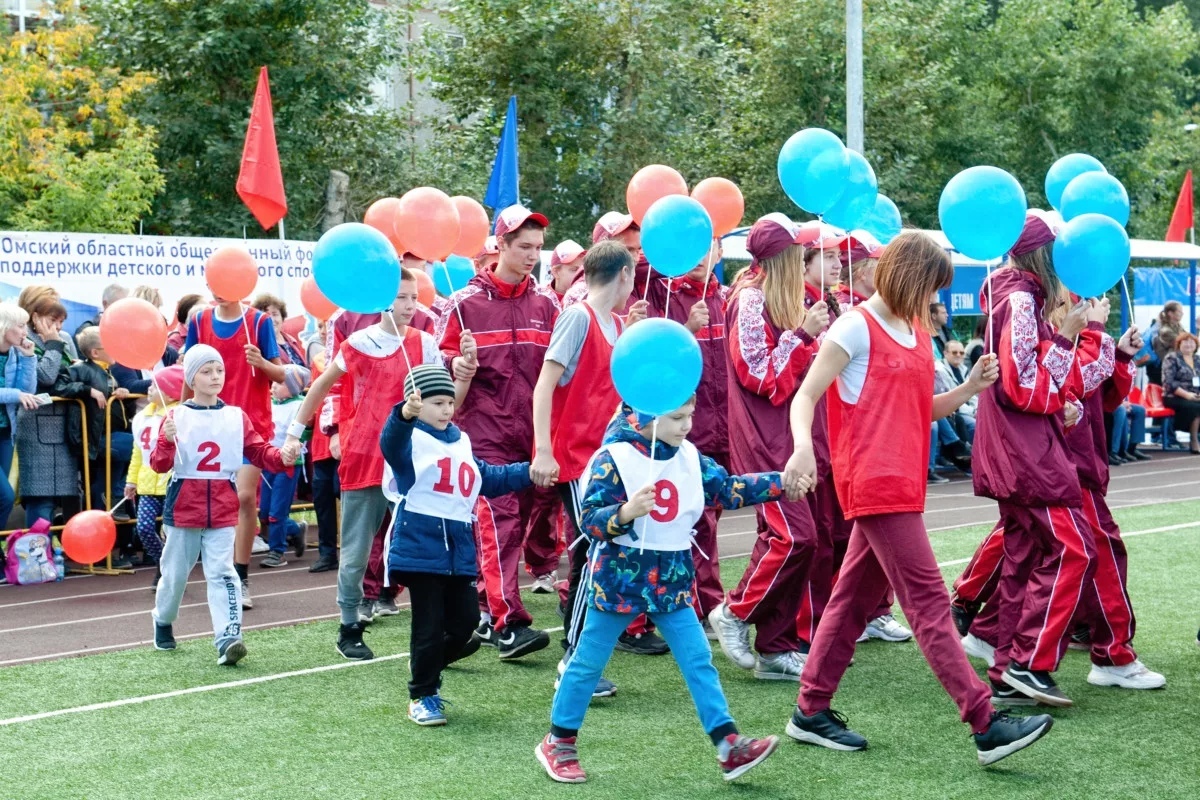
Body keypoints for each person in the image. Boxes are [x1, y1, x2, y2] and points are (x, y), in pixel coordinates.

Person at [781, 231, 1053, 767]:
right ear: (908, 276)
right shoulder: (854, 324)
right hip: (875, 483)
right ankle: (984, 721)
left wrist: (969, 387)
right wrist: (800, 452)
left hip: (903, 481)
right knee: (930, 603)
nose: (935, 299)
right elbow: (805, 393)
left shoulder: (913, 328)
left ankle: (810, 710)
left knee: (851, 600)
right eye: (931, 286)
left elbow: (918, 408)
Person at [536, 400, 785, 784]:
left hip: (671, 581)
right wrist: (624, 513)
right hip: (618, 581)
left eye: (690, 415)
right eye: (677, 417)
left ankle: (727, 745)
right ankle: (559, 741)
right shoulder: (613, 456)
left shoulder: (690, 456)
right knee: (587, 662)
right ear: (647, 415)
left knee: (699, 659)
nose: (687, 425)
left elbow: (727, 489)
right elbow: (590, 520)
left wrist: (781, 483)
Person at [287, 271, 460, 657]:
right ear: (383, 300)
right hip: (364, 457)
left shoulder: (426, 343)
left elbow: (444, 398)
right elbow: (319, 386)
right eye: (402, 298)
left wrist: (462, 376)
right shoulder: (358, 343)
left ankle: (441, 622)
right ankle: (349, 626)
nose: (410, 305)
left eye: (414, 298)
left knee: (428, 542)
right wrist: (294, 433)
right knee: (356, 550)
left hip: (414, 462)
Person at [970, 209, 1098, 707]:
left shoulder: (1016, 297)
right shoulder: (1020, 299)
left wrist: (1057, 399)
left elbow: (1026, 379)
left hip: (1018, 445)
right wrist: (1066, 337)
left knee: (1024, 558)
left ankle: (1008, 668)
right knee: (1072, 549)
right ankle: (1029, 662)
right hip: (1025, 453)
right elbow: (1023, 385)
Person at [709, 213, 828, 681]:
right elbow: (756, 374)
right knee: (793, 536)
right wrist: (804, 336)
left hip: (789, 435)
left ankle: (777, 647)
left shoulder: (778, 298)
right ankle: (735, 613)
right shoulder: (750, 300)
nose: (804, 260)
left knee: (804, 539)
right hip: (764, 438)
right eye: (797, 253)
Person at [438, 204, 559, 661]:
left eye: (537, 248)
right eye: (523, 246)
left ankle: (486, 612)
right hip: (482, 434)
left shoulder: (547, 304)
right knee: (499, 525)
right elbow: (437, 371)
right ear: (500, 246)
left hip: (532, 436)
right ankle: (509, 622)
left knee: (518, 527)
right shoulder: (463, 304)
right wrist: (457, 364)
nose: (532, 256)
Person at [382, 364, 534, 725]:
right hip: (420, 545)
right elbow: (391, 442)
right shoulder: (409, 438)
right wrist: (403, 415)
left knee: (465, 623)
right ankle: (423, 694)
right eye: (436, 402)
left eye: (449, 401)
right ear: (417, 403)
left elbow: (486, 478)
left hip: (460, 550)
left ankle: (426, 662)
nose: (446, 409)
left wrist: (529, 471)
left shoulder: (460, 440)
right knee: (428, 625)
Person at [531, 239, 645, 694]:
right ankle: (575, 659)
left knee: (606, 554)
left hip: (609, 461)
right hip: (578, 461)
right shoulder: (576, 316)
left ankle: (584, 652)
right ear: (622, 274)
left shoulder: (616, 323)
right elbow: (544, 386)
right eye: (633, 276)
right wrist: (544, 450)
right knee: (593, 553)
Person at [150, 345, 299, 665]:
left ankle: (229, 637)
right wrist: (165, 439)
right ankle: (163, 620)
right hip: (184, 508)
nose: (215, 376)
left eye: (219, 370)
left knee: (222, 572)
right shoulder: (176, 415)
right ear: (191, 377)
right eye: (206, 371)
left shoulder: (236, 416)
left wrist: (282, 456)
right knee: (175, 575)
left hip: (222, 506)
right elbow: (159, 465)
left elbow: (259, 452)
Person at [641, 240, 730, 630]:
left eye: (707, 246)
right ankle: (700, 602)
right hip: (679, 427)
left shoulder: (729, 299)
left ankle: (697, 600)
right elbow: (655, 358)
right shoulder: (660, 293)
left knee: (709, 514)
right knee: (690, 518)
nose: (698, 256)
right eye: (691, 244)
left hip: (725, 426)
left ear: (721, 252)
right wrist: (687, 330)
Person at [186, 285, 286, 608]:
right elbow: (189, 376)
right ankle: (195, 571)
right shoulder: (199, 321)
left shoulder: (258, 322)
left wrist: (262, 362)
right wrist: (180, 417)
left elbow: (280, 374)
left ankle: (240, 577)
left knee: (243, 497)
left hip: (249, 424)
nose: (221, 290)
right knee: (206, 501)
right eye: (216, 283)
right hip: (207, 424)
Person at [68, 326, 135, 565]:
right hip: (98, 439)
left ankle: (105, 550)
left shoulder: (108, 371)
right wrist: (88, 390)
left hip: (112, 435)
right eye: (110, 345)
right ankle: (114, 495)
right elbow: (61, 385)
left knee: (108, 480)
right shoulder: (82, 369)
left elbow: (115, 403)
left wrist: (121, 392)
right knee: (137, 444)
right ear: (96, 352)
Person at [15, 291, 79, 526]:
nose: (57, 327)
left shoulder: (65, 338)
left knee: (69, 493)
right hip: (35, 425)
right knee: (40, 496)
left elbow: (75, 373)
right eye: (52, 320)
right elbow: (45, 376)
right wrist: (52, 344)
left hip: (67, 425)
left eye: (61, 322)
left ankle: (62, 551)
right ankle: (37, 554)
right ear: (36, 317)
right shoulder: (24, 339)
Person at [124, 365, 185, 590]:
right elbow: (138, 451)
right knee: (145, 528)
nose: (148, 389)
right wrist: (131, 481)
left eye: (154, 385)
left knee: (172, 532)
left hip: (173, 483)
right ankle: (163, 564)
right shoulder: (142, 417)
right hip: (148, 482)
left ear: (170, 392)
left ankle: (173, 573)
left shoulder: (181, 415)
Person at [259, 364, 311, 568]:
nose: (273, 387)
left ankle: (277, 551)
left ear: (292, 387)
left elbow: (306, 431)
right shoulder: (269, 403)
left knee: (276, 512)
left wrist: (298, 443)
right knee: (263, 513)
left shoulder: (300, 405)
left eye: (279, 383)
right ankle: (296, 530)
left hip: (288, 464)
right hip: (267, 461)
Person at [0, 303, 39, 528]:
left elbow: (28, 390)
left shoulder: (15, 352)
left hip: (5, 433)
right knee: (5, 497)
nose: (25, 332)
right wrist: (17, 394)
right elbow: (18, 393)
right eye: (21, 326)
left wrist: (28, 358)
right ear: (4, 326)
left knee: (2, 497)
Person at [1161, 332, 1200, 453]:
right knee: (1196, 407)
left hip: (1195, 395)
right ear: (1179, 344)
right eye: (1185, 341)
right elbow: (1168, 382)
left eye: (1192, 342)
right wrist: (1187, 395)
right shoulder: (1172, 358)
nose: (1189, 344)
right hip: (1174, 396)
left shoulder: (1197, 359)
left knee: (1196, 404)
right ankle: (1193, 440)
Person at [935, 340, 976, 444]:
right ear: (945, 353)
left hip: (967, 410)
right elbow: (951, 397)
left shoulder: (963, 369)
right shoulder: (940, 370)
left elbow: (973, 394)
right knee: (974, 424)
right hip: (953, 410)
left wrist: (976, 409)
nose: (958, 355)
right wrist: (973, 412)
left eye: (961, 353)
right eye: (954, 352)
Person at [252, 294, 307, 366]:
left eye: (275, 314)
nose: (271, 319)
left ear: (282, 317)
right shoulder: (258, 344)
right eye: (266, 315)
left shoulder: (291, 340)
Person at [1149, 300, 1185, 384]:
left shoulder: (1178, 326)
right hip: (1164, 369)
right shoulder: (1165, 330)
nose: (1182, 313)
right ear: (1170, 313)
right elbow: (1185, 343)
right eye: (1179, 311)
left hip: (1175, 366)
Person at [1109, 390, 1149, 463]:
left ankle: (1132, 448)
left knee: (1140, 410)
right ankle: (1114, 451)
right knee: (1121, 409)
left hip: (1120, 402)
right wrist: (1120, 403)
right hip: (1109, 402)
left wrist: (1126, 403)